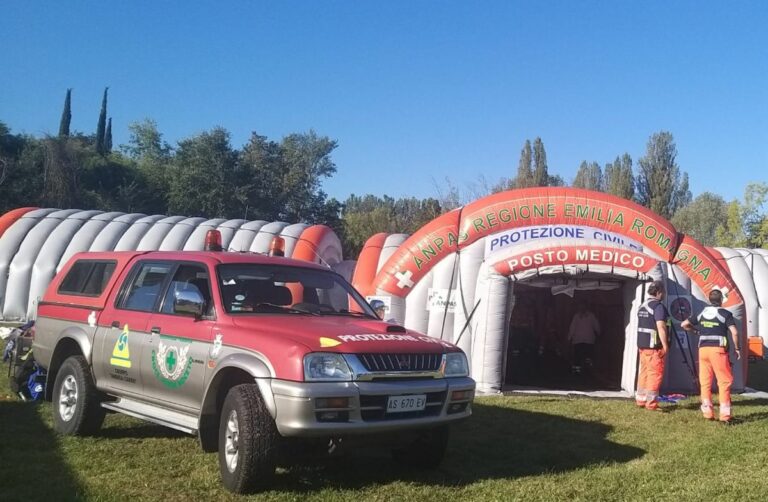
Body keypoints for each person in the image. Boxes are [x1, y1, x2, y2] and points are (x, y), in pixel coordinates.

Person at [681, 289, 740, 423]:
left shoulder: (702, 312)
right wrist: (737, 348)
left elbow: (684, 324)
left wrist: (696, 331)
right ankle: (725, 416)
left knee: (705, 382)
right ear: (721, 300)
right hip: (717, 351)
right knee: (724, 382)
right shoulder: (725, 314)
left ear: (709, 300)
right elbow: (734, 332)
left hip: (703, 350)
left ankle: (707, 413)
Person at [635, 280, 670, 411]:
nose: (664, 295)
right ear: (659, 292)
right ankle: (651, 404)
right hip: (654, 347)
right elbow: (661, 326)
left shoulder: (643, 305)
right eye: (663, 292)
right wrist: (665, 345)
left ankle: (641, 399)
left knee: (644, 373)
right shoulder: (658, 307)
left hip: (643, 346)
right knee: (655, 374)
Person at [568, 301, 600, 374]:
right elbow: (572, 328)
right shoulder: (577, 316)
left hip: (585, 340)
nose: (581, 308)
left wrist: (569, 338)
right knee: (580, 356)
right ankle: (579, 371)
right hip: (581, 340)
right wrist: (569, 337)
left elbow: (596, 326)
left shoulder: (591, 316)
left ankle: (585, 371)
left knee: (584, 356)